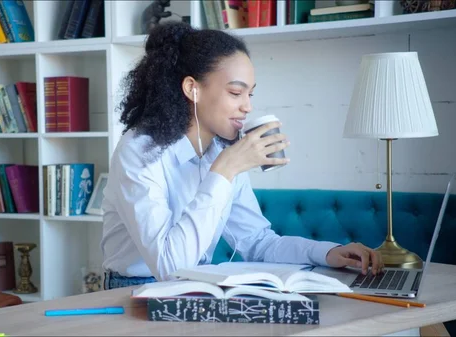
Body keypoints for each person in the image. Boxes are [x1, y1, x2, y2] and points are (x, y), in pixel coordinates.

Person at [100, 21, 383, 290]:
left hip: (195, 285)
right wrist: (223, 171)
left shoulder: (221, 151)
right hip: (134, 289)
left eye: (250, 94)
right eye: (236, 92)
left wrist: (329, 252)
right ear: (192, 89)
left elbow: (257, 242)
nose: (247, 107)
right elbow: (169, 266)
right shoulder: (140, 150)